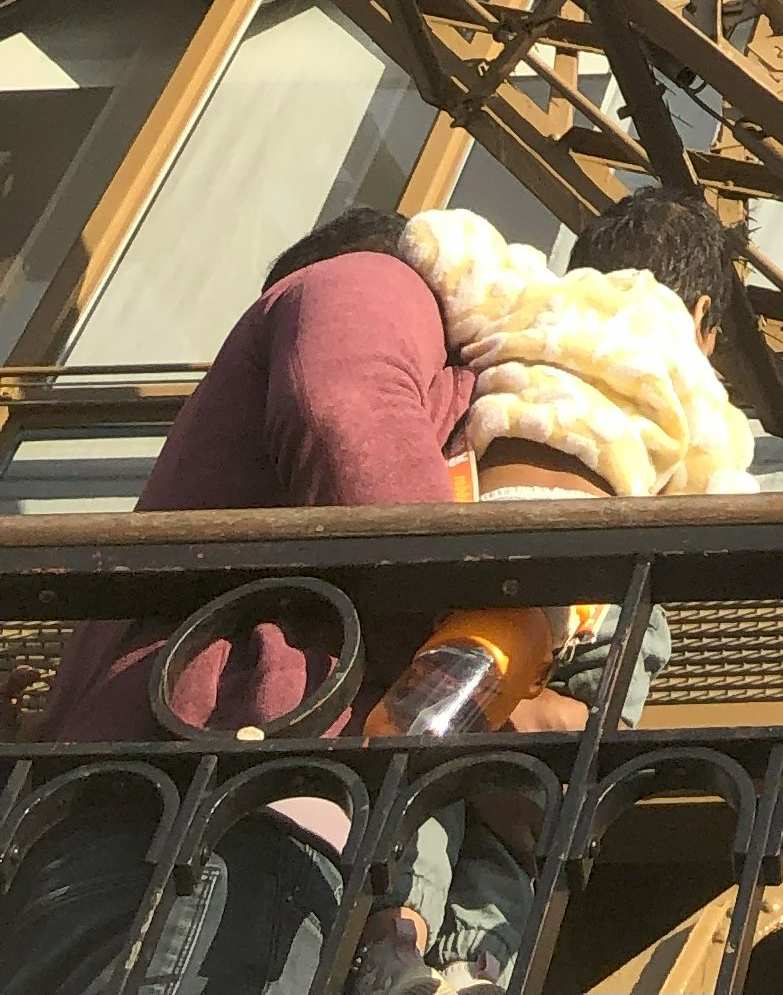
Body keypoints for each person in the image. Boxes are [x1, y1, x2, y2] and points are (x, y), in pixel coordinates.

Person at [15, 186, 741, 995]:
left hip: (180, 820)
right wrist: (484, 649)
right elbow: (349, 429)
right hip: (231, 821)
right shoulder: (368, 280)